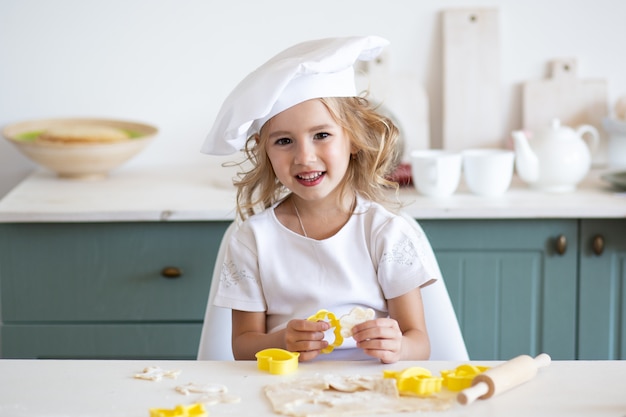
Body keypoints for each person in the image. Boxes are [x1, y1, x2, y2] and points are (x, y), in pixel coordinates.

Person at [201, 35, 438, 364]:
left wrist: (398, 346)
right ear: (264, 151)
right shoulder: (252, 240)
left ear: (353, 139)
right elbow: (242, 347)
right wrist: (281, 341)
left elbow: (420, 344)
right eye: (284, 141)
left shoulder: (385, 233)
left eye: (321, 135)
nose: (304, 157)